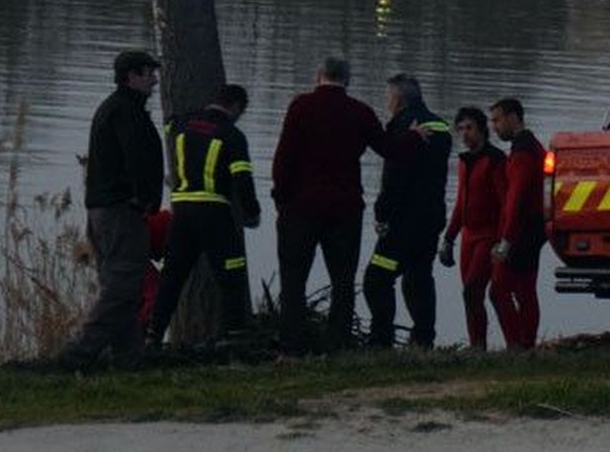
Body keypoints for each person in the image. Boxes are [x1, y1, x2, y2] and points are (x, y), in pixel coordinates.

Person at [271, 58, 427, 353]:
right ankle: (337, 345)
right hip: (344, 209)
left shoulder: (300, 107)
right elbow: (389, 149)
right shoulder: (360, 112)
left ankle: (291, 346)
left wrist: (281, 199)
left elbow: (284, 158)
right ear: (348, 80)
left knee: (293, 278)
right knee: (343, 280)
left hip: (301, 207)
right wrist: (415, 138)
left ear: (319, 76)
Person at [60, 50, 165, 370]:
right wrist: (146, 198)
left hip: (106, 210)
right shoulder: (125, 112)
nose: (154, 79)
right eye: (148, 73)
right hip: (121, 211)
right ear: (130, 76)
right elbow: (135, 157)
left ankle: (129, 358)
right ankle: (80, 352)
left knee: (125, 288)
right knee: (123, 286)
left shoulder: (119, 108)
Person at [146, 84, 259, 346]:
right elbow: (243, 179)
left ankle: (153, 334)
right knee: (232, 273)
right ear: (236, 107)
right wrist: (252, 213)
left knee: (173, 277)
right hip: (214, 212)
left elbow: (167, 127)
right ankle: (234, 335)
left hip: (182, 210)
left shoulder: (181, 124)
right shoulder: (233, 136)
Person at [362, 74, 452, 348]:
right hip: (432, 217)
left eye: (388, 98)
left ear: (398, 100)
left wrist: (381, 214)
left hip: (402, 221)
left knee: (377, 278)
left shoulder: (402, 125)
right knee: (419, 276)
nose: (387, 103)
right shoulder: (440, 127)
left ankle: (381, 339)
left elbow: (394, 175)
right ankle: (423, 338)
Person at [438, 106, 506, 350]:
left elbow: (505, 204)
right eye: (460, 129)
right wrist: (448, 238)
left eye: (469, 128)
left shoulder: (495, 160)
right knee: (469, 295)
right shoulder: (464, 162)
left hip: (488, 235)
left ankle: (480, 347)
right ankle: (477, 347)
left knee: (472, 290)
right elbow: (460, 203)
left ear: (482, 130)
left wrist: (502, 240)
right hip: (468, 236)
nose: (464, 134)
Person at [488, 97, 545, 351]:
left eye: (497, 120)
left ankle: (517, 345)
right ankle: (526, 345)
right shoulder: (532, 147)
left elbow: (516, 199)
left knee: (499, 290)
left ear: (513, 118)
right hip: (535, 227)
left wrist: (506, 240)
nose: (494, 127)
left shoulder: (522, 154)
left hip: (522, 230)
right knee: (525, 290)